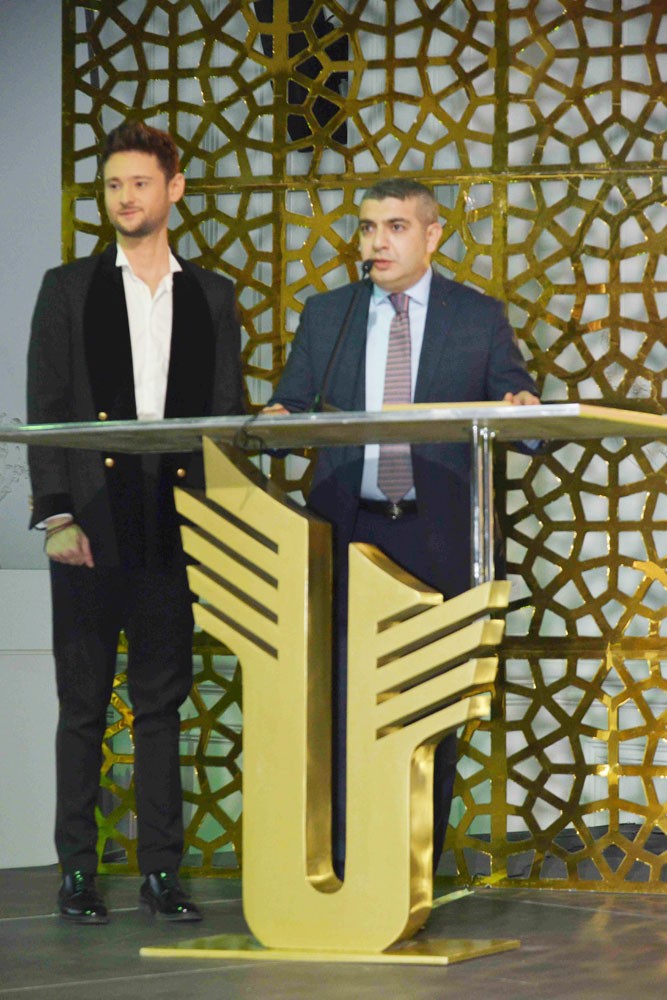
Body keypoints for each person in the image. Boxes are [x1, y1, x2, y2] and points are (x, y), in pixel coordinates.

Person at [265, 178, 540, 877]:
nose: (377, 242)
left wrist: (521, 406)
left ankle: (412, 872)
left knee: (430, 708)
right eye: (367, 228)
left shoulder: (476, 317)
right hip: (347, 532)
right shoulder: (328, 315)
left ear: (432, 234)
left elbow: (518, 403)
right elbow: (290, 405)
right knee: (341, 702)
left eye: (394, 227)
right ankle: (342, 864)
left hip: (438, 535)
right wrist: (277, 420)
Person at [27, 120, 244, 923]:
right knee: (82, 706)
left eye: (140, 183)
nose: (125, 197)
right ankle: (77, 873)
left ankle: (161, 874)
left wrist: (220, 529)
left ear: (173, 189)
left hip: (172, 521)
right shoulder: (67, 288)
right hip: (87, 520)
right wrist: (55, 515)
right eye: (114, 184)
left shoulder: (211, 295)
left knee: (161, 705)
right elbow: (46, 409)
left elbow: (224, 415)